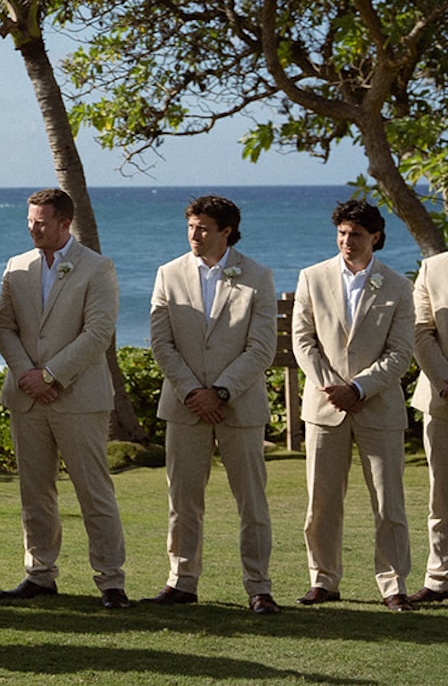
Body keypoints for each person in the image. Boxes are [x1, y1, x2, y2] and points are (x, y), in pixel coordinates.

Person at [0, 187, 130, 609]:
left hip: (79, 398)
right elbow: (3, 327)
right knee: (35, 492)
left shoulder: (97, 268)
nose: (33, 228)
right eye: (30, 220)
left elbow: (98, 331)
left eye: (42, 221)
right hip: (27, 398)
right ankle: (39, 574)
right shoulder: (17, 266)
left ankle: (111, 581)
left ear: (65, 224)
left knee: (94, 492)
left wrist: (51, 375)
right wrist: (26, 375)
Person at [144, 195, 278, 613]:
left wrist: (220, 391)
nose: (194, 235)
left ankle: (258, 586)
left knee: (251, 501)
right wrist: (191, 392)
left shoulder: (258, 276)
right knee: (182, 499)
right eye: (190, 226)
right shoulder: (169, 273)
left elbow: (261, 348)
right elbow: (160, 342)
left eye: (203, 228)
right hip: (185, 405)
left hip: (239, 406)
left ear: (226, 231)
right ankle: (181, 581)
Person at [293, 199, 417, 610]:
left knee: (388, 500)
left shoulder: (399, 286)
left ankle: (393, 583)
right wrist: (333, 388)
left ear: (375, 238)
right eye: (342, 234)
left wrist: (360, 389)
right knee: (322, 499)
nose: (347, 241)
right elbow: (303, 341)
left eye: (356, 235)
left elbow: (401, 353)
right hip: (325, 406)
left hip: (377, 407)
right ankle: (323, 579)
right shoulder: (312, 277)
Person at [415, 246, 448, 603]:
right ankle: (440, 578)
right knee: (442, 496)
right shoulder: (433, 268)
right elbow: (421, 332)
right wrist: (445, 380)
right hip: (443, 399)